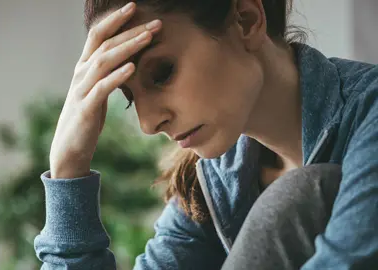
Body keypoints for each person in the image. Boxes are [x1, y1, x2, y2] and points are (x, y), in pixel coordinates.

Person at [34, 0, 378, 269]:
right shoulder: (214, 181)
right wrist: (69, 169)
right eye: (129, 97)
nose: (148, 123)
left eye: (162, 73)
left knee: (302, 194)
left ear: (246, 19)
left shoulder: (370, 114)